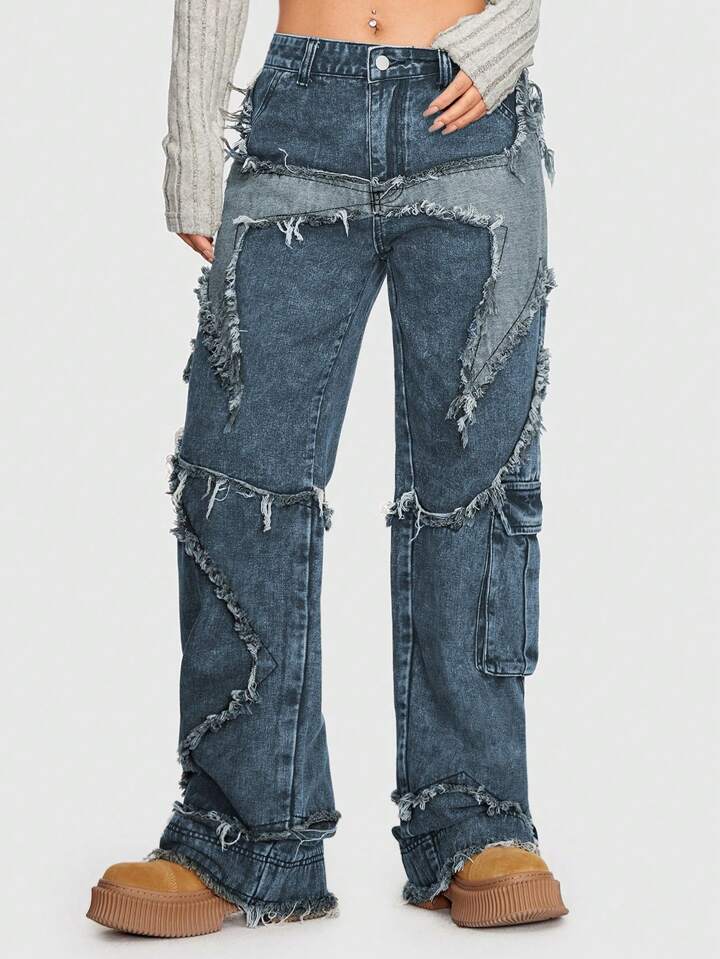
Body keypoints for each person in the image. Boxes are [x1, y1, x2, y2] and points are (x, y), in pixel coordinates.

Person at [87, 0, 567, 936]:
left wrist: (514, 24)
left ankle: (474, 816)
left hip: (469, 113)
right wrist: (193, 139)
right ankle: (242, 832)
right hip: (298, 116)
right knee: (238, 481)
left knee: (472, 488)